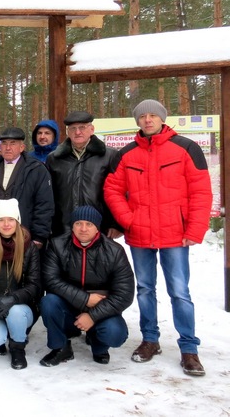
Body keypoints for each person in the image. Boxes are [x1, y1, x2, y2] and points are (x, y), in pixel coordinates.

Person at [104, 99, 212, 376]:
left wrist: (195, 229)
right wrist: (128, 220)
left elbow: (201, 191)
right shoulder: (126, 154)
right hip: (141, 234)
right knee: (144, 289)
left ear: (163, 118)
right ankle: (150, 340)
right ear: (137, 121)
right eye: (143, 116)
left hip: (175, 235)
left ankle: (189, 348)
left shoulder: (186, 148)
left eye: (153, 115)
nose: (148, 120)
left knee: (180, 292)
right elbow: (112, 189)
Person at [39, 206, 134, 367]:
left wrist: (92, 316)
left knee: (115, 333)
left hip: (101, 308)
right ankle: (61, 347)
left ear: (97, 227)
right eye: (78, 223)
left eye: (89, 224)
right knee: (49, 302)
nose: (83, 229)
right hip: (69, 306)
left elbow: (125, 293)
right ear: (72, 226)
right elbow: (50, 280)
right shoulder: (57, 245)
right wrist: (85, 299)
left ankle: (99, 345)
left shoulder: (114, 251)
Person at [0, 199, 41, 370]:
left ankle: (17, 347)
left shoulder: (29, 247)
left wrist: (12, 299)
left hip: (21, 307)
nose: (6, 224)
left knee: (15, 312)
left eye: (11, 219)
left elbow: (34, 284)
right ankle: (3, 334)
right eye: (1, 220)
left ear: (17, 221)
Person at [0, 127, 54, 249]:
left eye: (13, 143)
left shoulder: (36, 170)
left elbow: (44, 205)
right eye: (4, 143)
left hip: (25, 239)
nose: (8, 148)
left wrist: (39, 237)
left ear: (22, 147)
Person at [46, 111, 120, 238]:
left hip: (99, 227)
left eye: (82, 127)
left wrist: (115, 224)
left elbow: (119, 191)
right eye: (73, 128)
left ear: (92, 130)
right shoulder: (54, 158)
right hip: (63, 228)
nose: (77, 132)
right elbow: (48, 194)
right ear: (68, 132)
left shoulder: (109, 156)